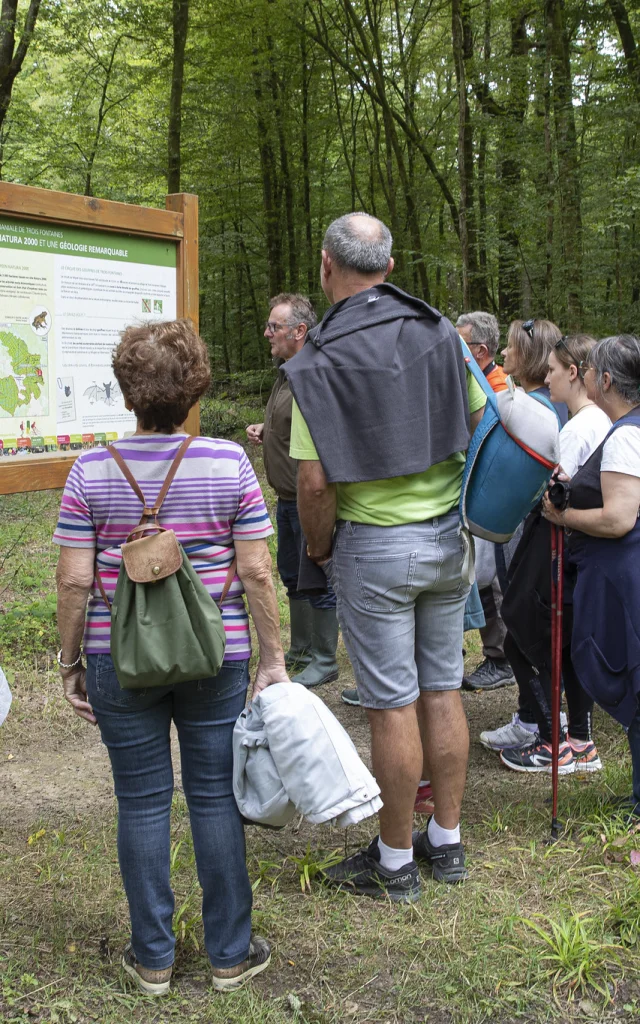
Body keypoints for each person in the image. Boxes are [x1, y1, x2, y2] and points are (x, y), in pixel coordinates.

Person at [54, 320, 285, 996]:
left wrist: (70, 659)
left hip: (117, 659)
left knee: (142, 802)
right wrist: (271, 657)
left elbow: (73, 580)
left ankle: (152, 958)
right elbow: (258, 571)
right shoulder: (227, 462)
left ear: (128, 392)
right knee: (215, 796)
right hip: (218, 656)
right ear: (193, 390)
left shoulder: (90, 469)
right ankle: (229, 955)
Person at [286, 213, 487, 900]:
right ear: (390, 267)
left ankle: (396, 861)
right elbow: (479, 424)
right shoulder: (439, 331)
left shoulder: (315, 361)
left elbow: (313, 481)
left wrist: (318, 547)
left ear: (325, 266)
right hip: (447, 540)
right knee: (442, 689)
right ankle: (448, 842)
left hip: (374, 547)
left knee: (392, 704)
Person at [496, 334, 611, 772]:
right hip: (574, 550)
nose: (548, 377)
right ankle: (579, 740)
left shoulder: (581, 427)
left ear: (575, 373)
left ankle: (554, 739)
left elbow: (556, 493)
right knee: (564, 642)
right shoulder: (599, 420)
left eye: (554, 370)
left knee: (530, 635)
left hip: (558, 548)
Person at [542, 335, 640, 813]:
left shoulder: (624, 434)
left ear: (604, 380)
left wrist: (564, 518)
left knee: (632, 673)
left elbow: (619, 518)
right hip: (624, 572)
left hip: (624, 575)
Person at [478, 316, 569, 752]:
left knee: (523, 620)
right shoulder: (536, 400)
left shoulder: (537, 408)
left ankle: (541, 721)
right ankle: (532, 715)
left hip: (527, 526)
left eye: (511, 348)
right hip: (520, 524)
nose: (504, 355)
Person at [246, 294, 340, 688]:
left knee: (316, 576)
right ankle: (301, 650)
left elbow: (323, 437)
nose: (267, 333)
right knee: (292, 574)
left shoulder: (312, 374)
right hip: (286, 499)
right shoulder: (287, 371)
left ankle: (324, 657)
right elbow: (297, 427)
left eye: (274, 327)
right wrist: (268, 431)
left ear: (299, 331)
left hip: (309, 498)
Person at [455, 311, 515, 692]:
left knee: (491, 579)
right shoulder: (475, 381)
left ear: (478, 350)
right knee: (475, 577)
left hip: (492, 496)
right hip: (475, 493)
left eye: (461, 345)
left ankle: (501, 658)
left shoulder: (496, 386)